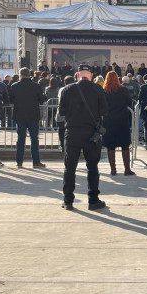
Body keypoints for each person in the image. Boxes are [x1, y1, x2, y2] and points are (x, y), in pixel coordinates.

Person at [59, 65, 108, 211]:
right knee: (92, 167)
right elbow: (104, 110)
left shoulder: (67, 90)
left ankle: (68, 201)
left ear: (77, 75)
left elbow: (61, 111)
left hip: (72, 132)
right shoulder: (98, 89)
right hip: (91, 134)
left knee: (70, 168)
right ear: (90, 76)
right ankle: (93, 200)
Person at [10, 67, 47, 168]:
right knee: (34, 139)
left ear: (20, 74)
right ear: (29, 75)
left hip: (19, 115)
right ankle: (36, 162)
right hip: (33, 115)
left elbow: (11, 99)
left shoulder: (14, 86)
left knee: (20, 139)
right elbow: (41, 100)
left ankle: (19, 162)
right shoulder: (36, 86)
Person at [102, 72, 135, 176]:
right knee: (125, 145)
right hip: (122, 120)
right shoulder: (123, 90)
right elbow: (129, 103)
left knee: (110, 146)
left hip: (109, 121)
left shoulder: (104, 91)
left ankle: (113, 169)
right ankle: (127, 169)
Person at [55, 75, 74, 151]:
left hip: (60, 114)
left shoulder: (61, 89)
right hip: (70, 115)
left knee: (61, 130)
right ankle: (68, 145)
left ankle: (62, 145)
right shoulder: (74, 90)